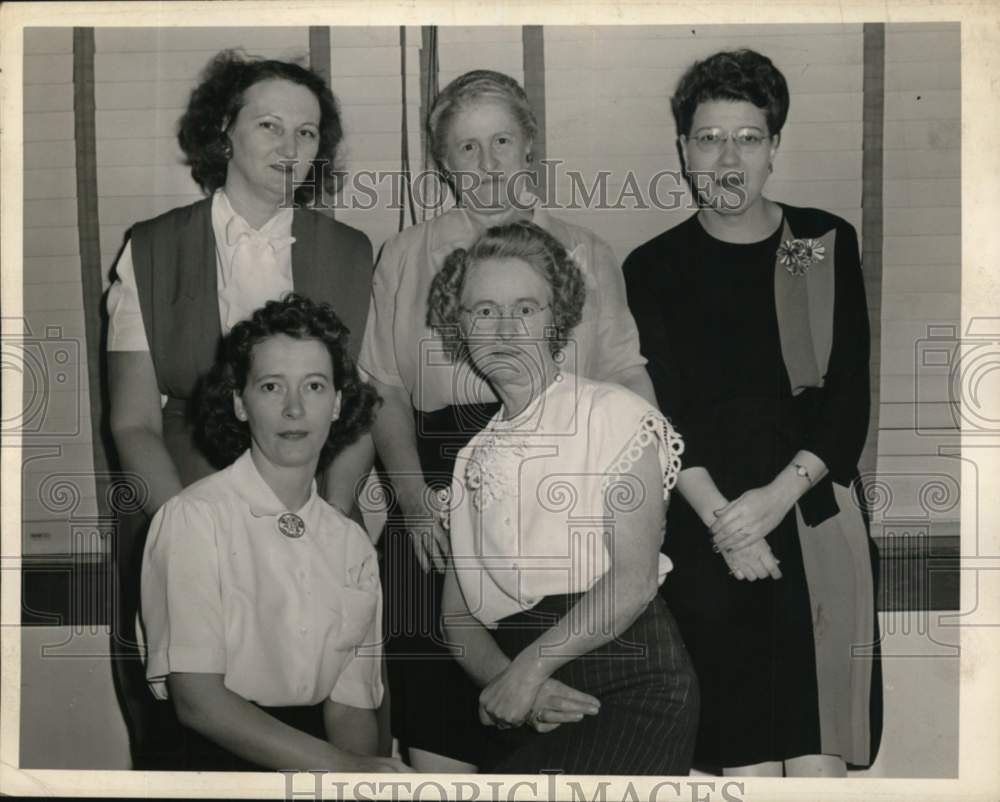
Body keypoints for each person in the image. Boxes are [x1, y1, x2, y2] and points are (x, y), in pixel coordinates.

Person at [358, 69, 657, 771]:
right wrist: (411, 503)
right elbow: (385, 391)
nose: (487, 165)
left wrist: (646, 488)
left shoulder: (586, 252)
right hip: (432, 491)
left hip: (560, 499)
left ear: (530, 147)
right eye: (466, 148)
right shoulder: (403, 255)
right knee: (440, 726)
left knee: (556, 722)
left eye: (501, 142)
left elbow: (625, 374)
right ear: (443, 162)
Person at [623, 49, 882, 777]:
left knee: (817, 764)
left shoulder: (821, 244)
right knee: (743, 769)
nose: (728, 157)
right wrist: (727, 524)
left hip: (810, 518)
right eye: (709, 138)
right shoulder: (652, 267)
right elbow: (661, 415)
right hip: (707, 530)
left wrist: (772, 501)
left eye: (748, 137)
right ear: (683, 150)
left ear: (774, 148)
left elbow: (847, 398)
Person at [426, 221, 698, 774]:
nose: (504, 328)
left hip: (630, 681)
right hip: (531, 695)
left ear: (558, 317)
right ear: (460, 324)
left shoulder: (616, 415)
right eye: (483, 310)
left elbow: (634, 579)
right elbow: (457, 616)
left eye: (525, 308)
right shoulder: (471, 458)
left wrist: (527, 672)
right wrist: (515, 685)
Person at [140, 294, 408, 772]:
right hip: (211, 760)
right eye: (270, 387)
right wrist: (343, 769)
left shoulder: (351, 546)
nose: (293, 409)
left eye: (314, 386)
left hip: (321, 757)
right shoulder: (193, 519)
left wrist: (360, 780)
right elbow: (197, 702)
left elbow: (350, 708)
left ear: (337, 404)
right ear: (240, 404)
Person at [107, 49, 374, 522]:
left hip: (313, 495)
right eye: (269, 126)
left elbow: (359, 411)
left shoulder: (351, 252)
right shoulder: (151, 249)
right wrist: (183, 529)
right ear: (224, 131)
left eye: (306, 133)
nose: (290, 150)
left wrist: (333, 515)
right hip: (184, 489)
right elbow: (134, 423)